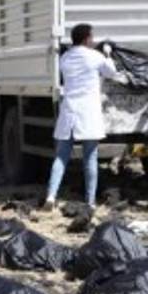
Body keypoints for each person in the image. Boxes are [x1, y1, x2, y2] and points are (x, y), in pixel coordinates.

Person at [43, 24, 124, 209]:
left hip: (69, 110)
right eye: (92, 37)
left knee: (61, 157)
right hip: (88, 113)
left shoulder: (65, 58)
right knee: (90, 159)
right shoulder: (95, 56)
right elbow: (112, 72)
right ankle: (90, 201)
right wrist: (108, 53)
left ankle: (51, 195)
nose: (93, 40)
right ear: (87, 38)